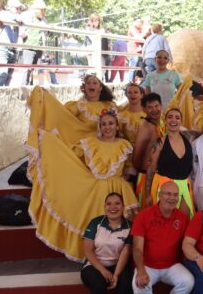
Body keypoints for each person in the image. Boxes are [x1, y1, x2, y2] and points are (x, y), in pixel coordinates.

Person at [27, 109, 139, 261]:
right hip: (94, 192)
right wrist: (49, 141)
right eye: (104, 124)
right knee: (95, 224)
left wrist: (122, 182)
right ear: (99, 127)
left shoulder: (125, 145)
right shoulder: (90, 143)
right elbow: (70, 157)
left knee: (117, 226)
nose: (107, 127)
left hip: (117, 191)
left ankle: (116, 259)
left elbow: (128, 169)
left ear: (117, 126)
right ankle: (94, 258)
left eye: (111, 123)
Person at [131, 182, 194, 294]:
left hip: (172, 265)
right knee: (139, 284)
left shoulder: (182, 218)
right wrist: (141, 270)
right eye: (168, 194)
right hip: (148, 265)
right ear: (159, 195)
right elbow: (137, 248)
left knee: (188, 281)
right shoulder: (144, 216)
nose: (172, 198)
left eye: (175, 195)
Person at [80, 192, 133, 294]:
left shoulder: (129, 226)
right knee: (98, 283)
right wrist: (103, 271)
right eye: (109, 204)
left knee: (125, 281)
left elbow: (125, 252)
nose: (113, 207)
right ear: (104, 206)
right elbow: (88, 251)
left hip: (117, 263)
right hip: (94, 264)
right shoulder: (95, 223)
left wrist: (116, 275)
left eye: (117, 203)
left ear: (123, 206)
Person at [144, 108, 195, 217]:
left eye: (177, 118)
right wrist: (147, 194)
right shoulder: (160, 142)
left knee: (184, 221)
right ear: (165, 120)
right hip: (164, 186)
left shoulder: (188, 137)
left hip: (184, 185)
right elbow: (151, 168)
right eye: (170, 117)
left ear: (181, 121)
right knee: (164, 220)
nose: (173, 120)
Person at [132, 93, 164, 200]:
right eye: (150, 107)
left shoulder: (160, 123)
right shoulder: (145, 127)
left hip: (157, 176)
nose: (154, 110)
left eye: (156, 106)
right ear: (144, 109)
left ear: (161, 106)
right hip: (146, 177)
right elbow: (136, 157)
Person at [19, 0, 48, 85]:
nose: (43, 12)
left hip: (39, 48)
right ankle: (24, 88)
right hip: (29, 46)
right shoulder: (28, 16)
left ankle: (33, 88)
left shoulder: (44, 20)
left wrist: (44, 48)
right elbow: (21, 23)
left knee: (36, 70)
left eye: (44, 10)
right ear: (36, 9)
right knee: (27, 69)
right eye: (42, 10)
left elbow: (45, 33)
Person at [0, 0, 23, 87]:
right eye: (17, 8)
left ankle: (4, 92)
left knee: (9, 75)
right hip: (2, 49)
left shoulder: (18, 18)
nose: (19, 10)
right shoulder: (4, 14)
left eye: (20, 8)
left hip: (13, 49)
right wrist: (17, 19)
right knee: (2, 73)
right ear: (10, 8)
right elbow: (3, 17)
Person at [127, 18, 149, 82]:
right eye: (139, 21)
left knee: (140, 69)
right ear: (134, 22)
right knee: (133, 68)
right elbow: (138, 37)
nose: (140, 23)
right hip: (134, 51)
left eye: (141, 22)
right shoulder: (132, 28)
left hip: (140, 53)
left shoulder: (140, 29)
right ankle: (130, 82)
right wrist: (145, 32)